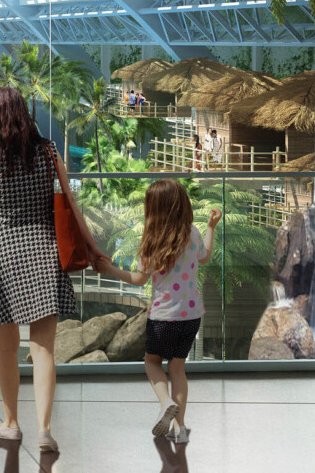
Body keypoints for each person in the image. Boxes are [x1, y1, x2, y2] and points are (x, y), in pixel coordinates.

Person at [0, 86, 106, 453]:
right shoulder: (47, 151)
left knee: (6, 348)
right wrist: (92, 247)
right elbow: (70, 201)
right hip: (45, 251)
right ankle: (45, 430)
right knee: (43, 350)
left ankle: (11, 423)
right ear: (25, 115)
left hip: (5, 253)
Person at [95, 181, 220, 444]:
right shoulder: (192, 234)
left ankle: (165, 403)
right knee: (178, 369)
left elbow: (138, 279)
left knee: (152, 363)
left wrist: (109, 269)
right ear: (182, 205)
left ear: (153, 209)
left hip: (163, 318)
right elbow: (206, 256)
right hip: (191, 317)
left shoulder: (152, 241)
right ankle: (181, 429)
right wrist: (210, 227)